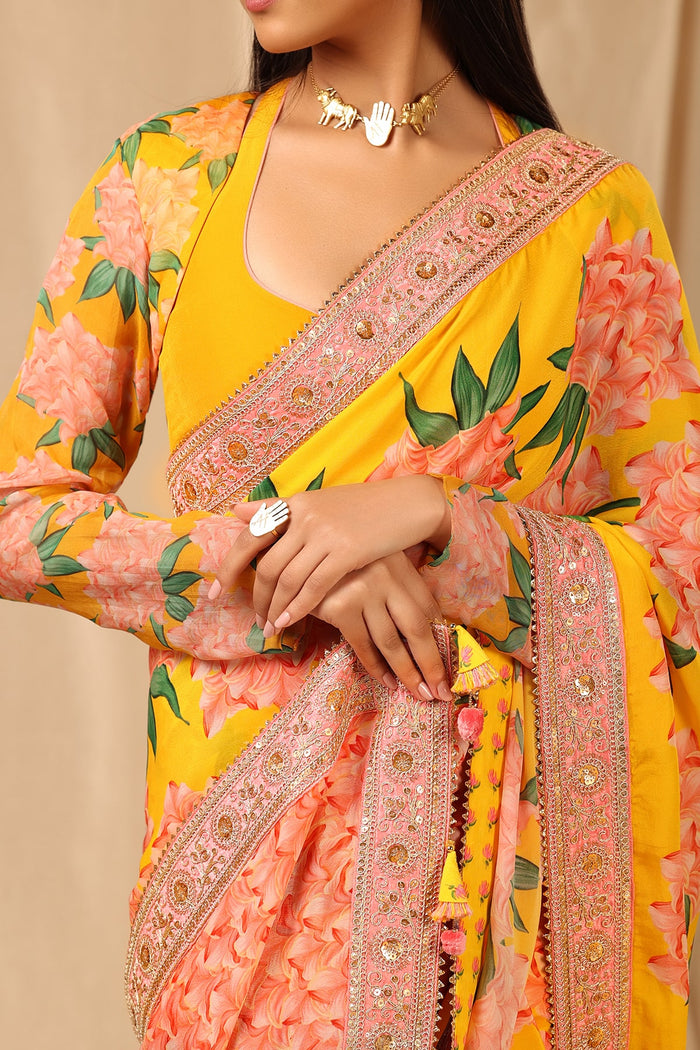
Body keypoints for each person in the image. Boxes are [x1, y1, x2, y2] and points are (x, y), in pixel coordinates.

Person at [0, 0, 698, 1046]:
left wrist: (442, 525)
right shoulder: (167, 180)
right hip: (237, 913)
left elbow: (675, 573)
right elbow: (20, 515)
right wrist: (282, 549)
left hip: (486, 916)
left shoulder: (589, 219)